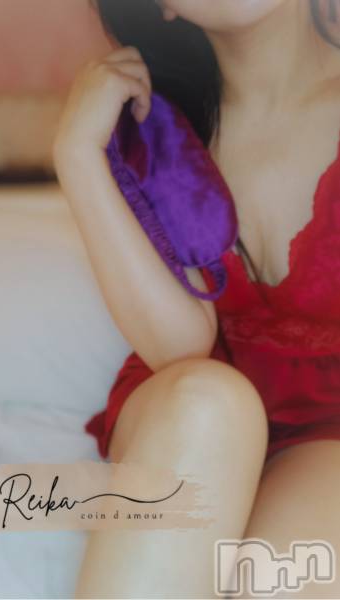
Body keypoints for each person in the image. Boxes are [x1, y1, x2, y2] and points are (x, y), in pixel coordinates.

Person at [53, 1, 340, 597]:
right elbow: (182, 348)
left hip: (329, 427)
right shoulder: (154, 132)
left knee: (278, 579)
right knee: (211, 399)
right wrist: (77, 154)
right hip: (189, 408)